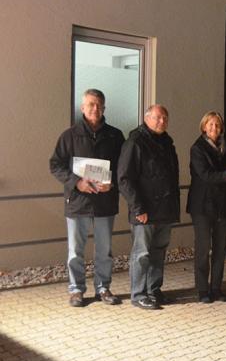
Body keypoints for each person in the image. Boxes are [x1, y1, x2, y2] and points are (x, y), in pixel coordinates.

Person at [49, 89, 125, 307]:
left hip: (104, 202)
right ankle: (76, 290)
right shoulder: (69, 136)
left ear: (104, 108)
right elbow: (55, 164)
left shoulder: (115, 136)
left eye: (99, 105)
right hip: (77, 202)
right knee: (75, 251)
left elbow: (123, 167)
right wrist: (77, 182)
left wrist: (112, 182)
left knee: (104, 250)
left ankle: (103, 288)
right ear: (82, 108)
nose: (95, 108)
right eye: (91, 104)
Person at [118, 104, 180, 310]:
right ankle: (138, 294)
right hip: (145, 212)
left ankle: (154, 290)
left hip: (164, 211)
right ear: (147, 118)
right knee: (141, 254)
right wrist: (138, 209)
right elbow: (125, 179)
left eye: (165, 118)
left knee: (158, 252)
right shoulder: (135, 142)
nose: (162, 121)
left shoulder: (167, 142)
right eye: (157, 117)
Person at [187, 111, 226, 303]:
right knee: (203, 249)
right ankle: (202, 290)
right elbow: (206, 175)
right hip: (203, 207)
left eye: (217, 125)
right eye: (210, 125)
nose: (214, 128)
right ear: (204, 127)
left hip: (222, 206)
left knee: (221, 249)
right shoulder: (197, 149)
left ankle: (216, 288)